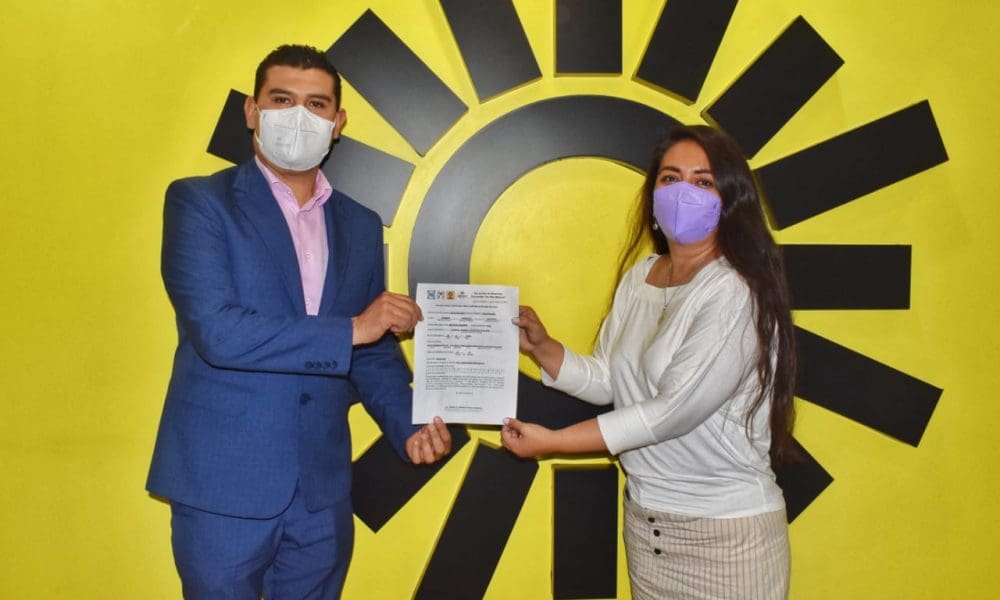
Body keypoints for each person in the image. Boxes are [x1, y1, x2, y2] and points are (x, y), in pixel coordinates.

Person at [146, 44, 452, 599]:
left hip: (322, 493)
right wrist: (353, 328)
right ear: (252, 111)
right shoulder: (200, 203)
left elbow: (371, 352)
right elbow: (218, 332)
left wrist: (409, 426)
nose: (298, 117)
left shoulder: (360, 224)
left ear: (338, 123)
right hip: (222, 487)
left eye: (316, 105)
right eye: (282, 100)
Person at [501, 125, 797, 599]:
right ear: (653, 194)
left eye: (703, 181)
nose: (683, 192)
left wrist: (554, 442)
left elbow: (670, 413)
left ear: (731, 199)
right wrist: (543, 347)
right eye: (670, 178)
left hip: (727, 539)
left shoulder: (735, 291)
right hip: (647, 529)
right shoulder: (641, 277)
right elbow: (608, 379)